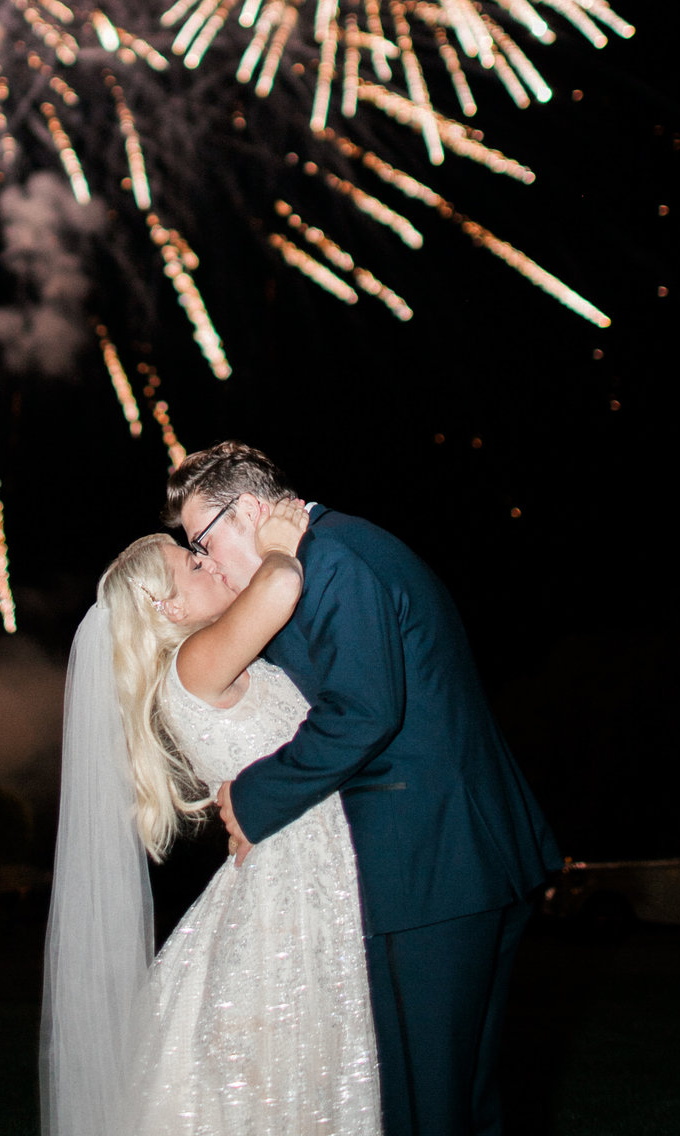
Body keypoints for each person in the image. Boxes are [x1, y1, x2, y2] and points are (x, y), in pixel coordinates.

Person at [166, 441, 561, 1136]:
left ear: (251, 509)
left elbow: (363, 714)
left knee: (425, 1105)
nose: (206, 560)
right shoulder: (329, 554)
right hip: (457, 859)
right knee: (462, 1102)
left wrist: (252, 799)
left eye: (203, 539)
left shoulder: (335, 563)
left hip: (430, 866)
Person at [39, 498, 381, 1136]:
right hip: (291, 880)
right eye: (194, 563)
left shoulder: (218, 659)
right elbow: (278, 582)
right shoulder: (194, 663)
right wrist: (279, 538)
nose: (210, 563)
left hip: (304, 863)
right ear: (167, 607)